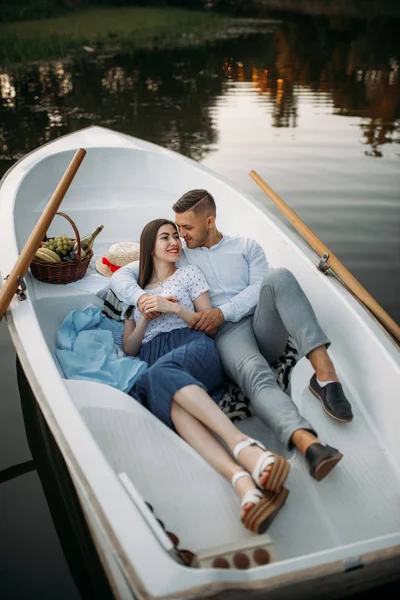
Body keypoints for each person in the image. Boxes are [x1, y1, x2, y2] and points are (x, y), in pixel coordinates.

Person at [112, 191, 353, 484]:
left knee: (279, 276)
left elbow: (258, 289)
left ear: (209, 222)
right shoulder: (182, 253)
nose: (180, 236)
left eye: (186, 228)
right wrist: (142, 300)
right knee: (255, 372)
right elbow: (121, 277)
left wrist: (222, 312)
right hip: (228, 335)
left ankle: (325, 377)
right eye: (175, 230)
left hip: (261, 323)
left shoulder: (246, 246)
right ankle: (308, 443)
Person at [123, 218, 290, 535]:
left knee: (161, 376)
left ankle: (246, 448)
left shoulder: (188, 274)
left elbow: (206, 321)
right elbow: (130, 348)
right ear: (150, 246)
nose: (174, 241)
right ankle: (242, 482)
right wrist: (145, 315)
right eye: (165, 237)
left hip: (193, 345)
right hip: (156, 360)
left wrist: (174, 310)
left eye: (176, 236)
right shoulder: (137, 297)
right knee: (167, 394)